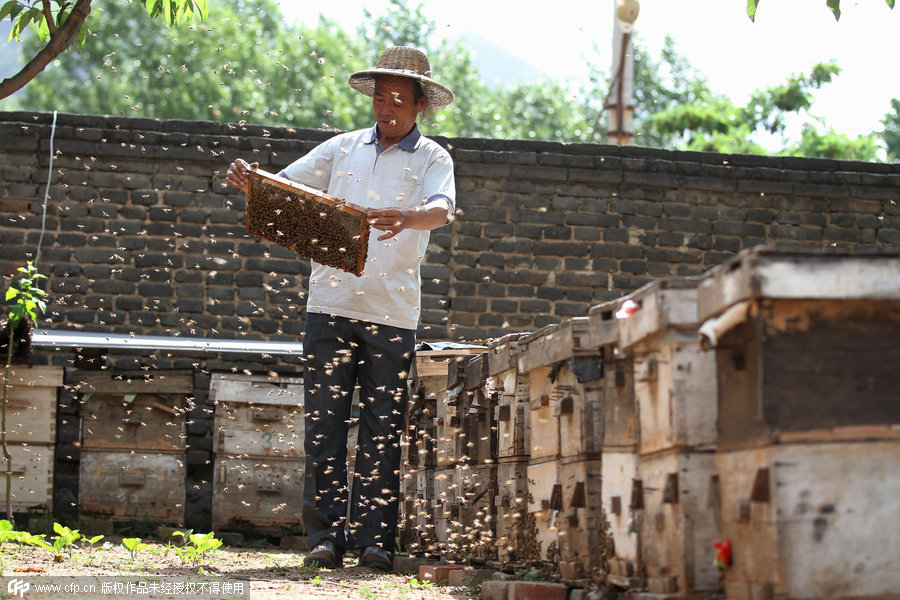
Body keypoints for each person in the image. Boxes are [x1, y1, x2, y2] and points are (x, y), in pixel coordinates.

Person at [225, 46, 455, 571]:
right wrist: (251, 181)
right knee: (325, 425)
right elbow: (285, 187)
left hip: (393, 313)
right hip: (328, 308)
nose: (387, 108)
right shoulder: (342, 148)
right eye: (380, 97)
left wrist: (408, 216)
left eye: (399, 99)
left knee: (382, 428)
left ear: (421, 105)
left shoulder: (433, 159)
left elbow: (442, 211)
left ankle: (375, 541)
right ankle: (325, 539)